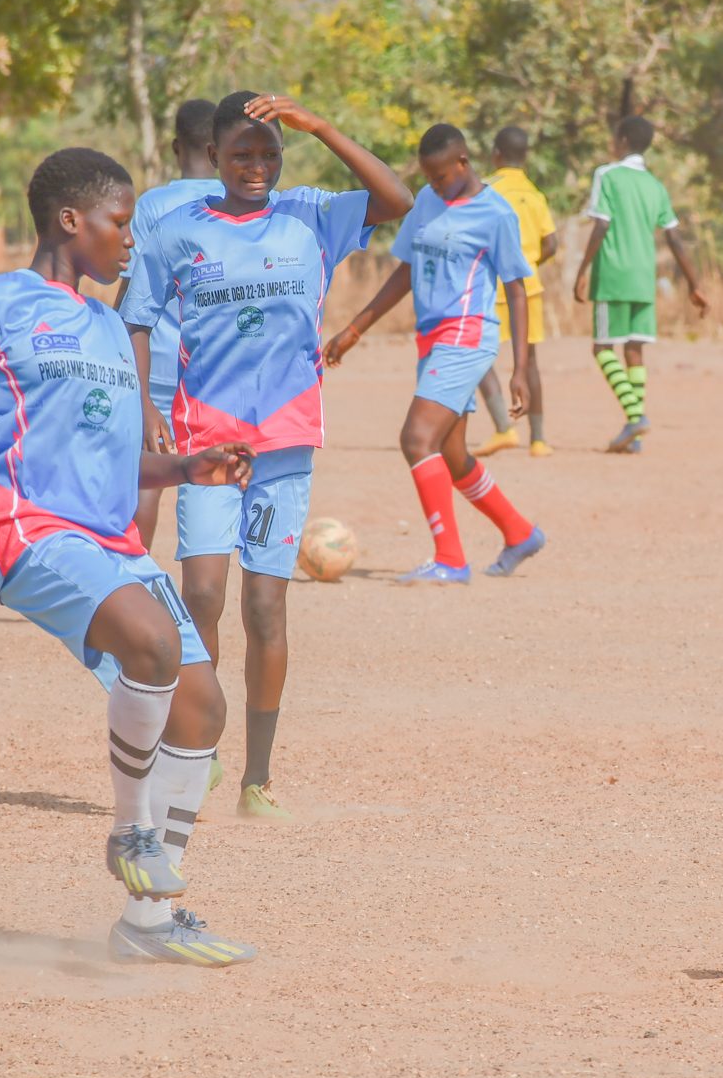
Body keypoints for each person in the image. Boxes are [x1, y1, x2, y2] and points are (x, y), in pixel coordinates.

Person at [0, 147, 258, 966]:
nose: (130, 239)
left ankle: (148, 925)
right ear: (70, 220)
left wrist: (191, 467)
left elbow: (120, 461)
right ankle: (131, 830)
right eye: (120, 223)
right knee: (154, 644)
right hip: (26, 527)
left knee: (202, 705)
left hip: (109, 538)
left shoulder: (112, 333)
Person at [122, 91, 411, 822]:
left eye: (269, 153)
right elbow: (137, 320)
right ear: (212, 157)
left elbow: (397, 198)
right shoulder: (176, 231)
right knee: (204, 596)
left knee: (263, 605)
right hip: (207, 442)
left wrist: (320, 125)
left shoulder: (311, 214)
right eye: (241, 154)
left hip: (285, 443)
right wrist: (147, 405)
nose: (256, 166)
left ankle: (259, 776)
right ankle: (200, 751)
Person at [325, 124, 547, 585]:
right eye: (428, 177)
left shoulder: (495, 213)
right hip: (432, 339)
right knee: (451, 452)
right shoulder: (427, 201)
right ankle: (519, 532)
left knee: (416, 439)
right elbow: (405, 271)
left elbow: (518, 289)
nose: (435, 185)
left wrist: (520, 368)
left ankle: (449, 558)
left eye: (442, 176)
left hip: (467, 334)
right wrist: (355, 328)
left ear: (463, 163)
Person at [114, 98, 232, 551]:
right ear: (219, 146)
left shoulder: (154, 204)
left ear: (175, 146)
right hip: (216, 371)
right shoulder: (236, 202)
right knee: (207, 480)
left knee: (146, 476)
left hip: (158, 368)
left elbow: (130, 297)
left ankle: (134, 580)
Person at [572, 115, 709, 453]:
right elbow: (674, 238)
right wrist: (694, 282)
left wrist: (582, 271)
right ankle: (634, 434)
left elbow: (601, 226)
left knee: (602, 348)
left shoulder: (607, 175)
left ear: (620, 140)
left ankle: (635, 418)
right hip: (644, 278)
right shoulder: (655, 185)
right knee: (634, 349)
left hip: (614, 275)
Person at [473, 126, 558, 457]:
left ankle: (503, 428)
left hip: (490, 287)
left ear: (496, 154)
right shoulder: (535, 194)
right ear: (525, 157)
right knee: (529, 361)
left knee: (477, 355)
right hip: (529, 288)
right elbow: (551, 242)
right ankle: (538, 439)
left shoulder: (487, 190)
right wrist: (530, 264)